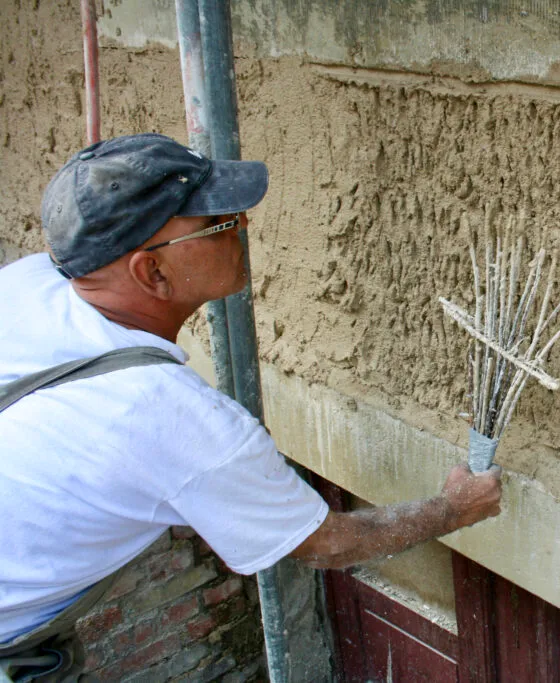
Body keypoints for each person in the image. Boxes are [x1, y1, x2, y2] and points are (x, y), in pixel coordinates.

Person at [0, 133, 503, 681]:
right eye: (219, 224)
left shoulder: (26, 283)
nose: (243, 227)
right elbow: (326, 544)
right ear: (152, 273)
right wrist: (455, 509)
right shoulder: (167, 417)